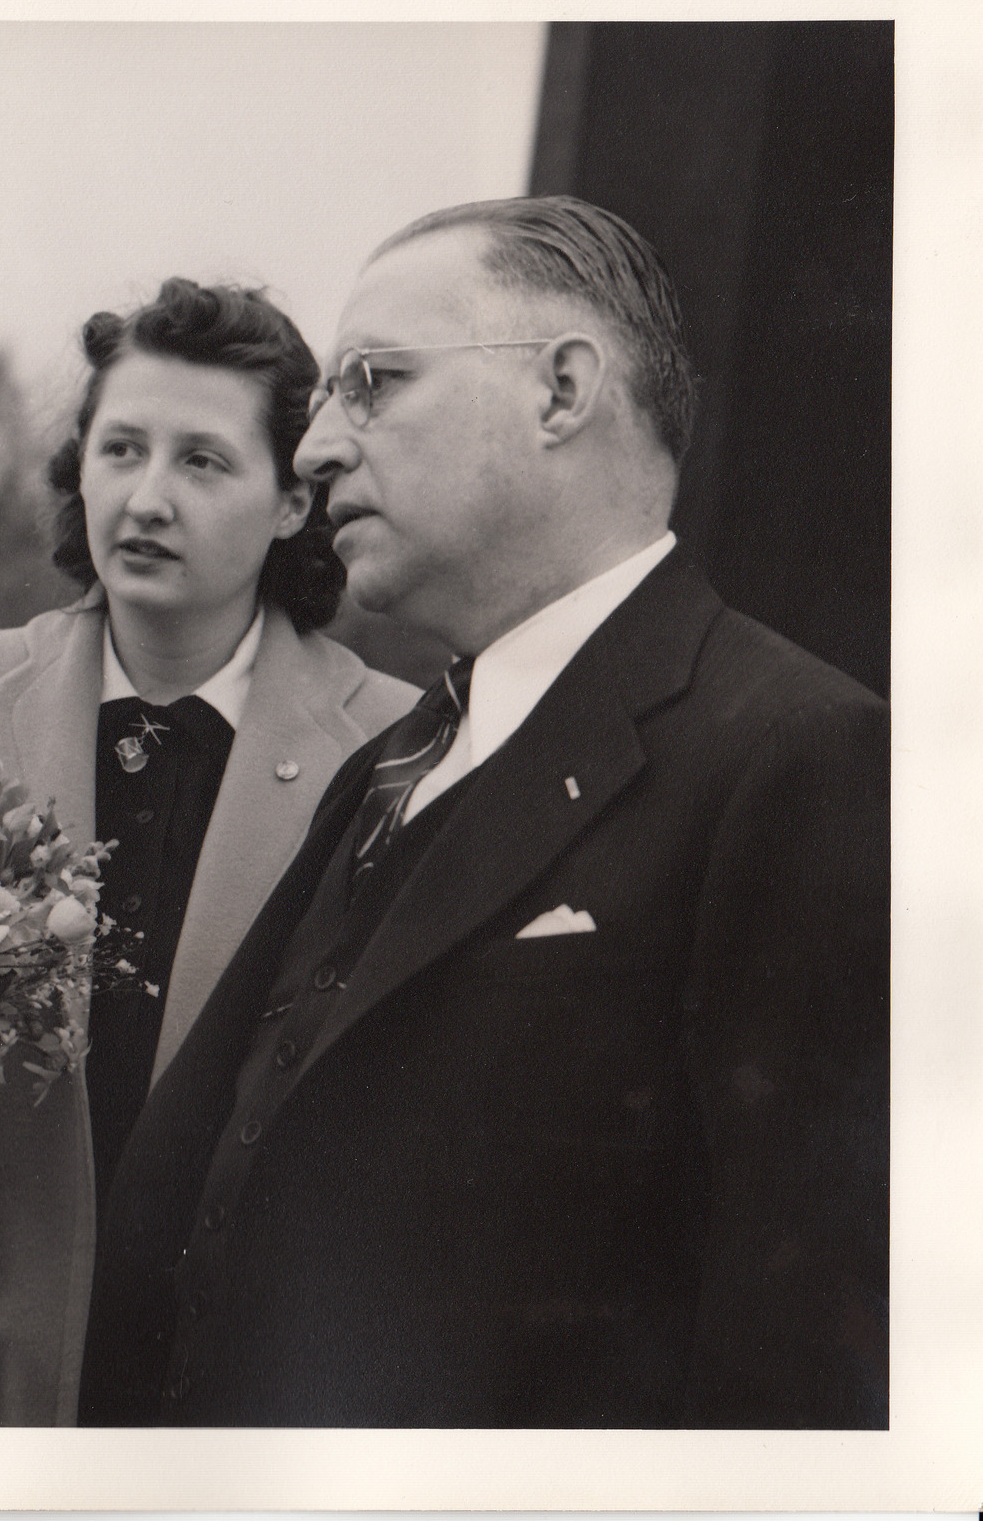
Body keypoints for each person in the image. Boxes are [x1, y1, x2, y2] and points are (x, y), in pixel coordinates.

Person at [80, 196, 889, 1429]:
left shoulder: (794, 755)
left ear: (561, 390)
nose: (311, 451)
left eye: (372, 382)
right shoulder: (396, 757)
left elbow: (803, 1340)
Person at [0, 278, 418, 1424]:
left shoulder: (401, 750)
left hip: (247, 1399)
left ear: (292, 499)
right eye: (121, 449)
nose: (146, 497)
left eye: (202, 461)